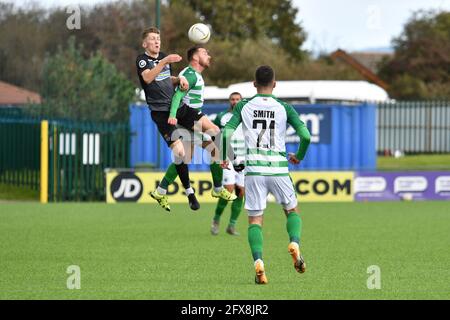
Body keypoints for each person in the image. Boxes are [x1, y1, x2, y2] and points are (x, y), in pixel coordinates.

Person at [221, 65, 311, 284]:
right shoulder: (284, 107)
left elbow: (226, 133)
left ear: (254, 84)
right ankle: (295, 244)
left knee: (255, 220)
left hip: (254, 171)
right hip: (279, 168)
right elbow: (306, 136)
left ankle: (259, 264)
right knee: (291, 210)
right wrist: (298, 155)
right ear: (275, 83)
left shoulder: (243, 105)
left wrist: (226, 157)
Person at [150, 45, 237, 211]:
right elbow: (178, 96)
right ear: (195, 57)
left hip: (189, 120)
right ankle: (221, 184)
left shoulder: (193, 75)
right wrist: (173, 115)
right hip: (189, 119)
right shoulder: (190, 75)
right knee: (216, 139)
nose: (209, 55)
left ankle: (160, 191)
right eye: (205, 52)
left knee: (185, 158)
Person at [211, 92, 245, 236]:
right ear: (229, 101)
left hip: (244, 158)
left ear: (241, 101)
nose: (235, 101)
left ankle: (231, 225)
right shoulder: (221, 116)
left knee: (241, 192)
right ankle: (216, 220)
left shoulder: (247, 117)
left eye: (238, 99)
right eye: (232, 99)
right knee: (228, 190)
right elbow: (215, 135)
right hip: (228, 158)